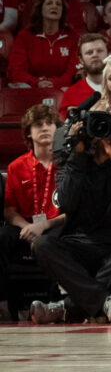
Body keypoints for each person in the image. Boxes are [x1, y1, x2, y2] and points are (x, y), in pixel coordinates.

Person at [29, 103, 111, 324]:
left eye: (102, 128)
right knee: (41, 245)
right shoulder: (71, 166)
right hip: (78, 247)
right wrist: (78, 154)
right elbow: (66, 203)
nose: (97, 135)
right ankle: (106, 302)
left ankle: (65, 308)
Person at [0, 105, 64, 311]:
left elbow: (73, 211)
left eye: (49, 123)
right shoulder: (16, 166)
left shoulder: (68, 164)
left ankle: (58, 302)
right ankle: (2, 303)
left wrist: (44, 225)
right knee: (1, 236)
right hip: (25, 225)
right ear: (28, 132)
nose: (45, 128)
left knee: (63, 238)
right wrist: (26, 226)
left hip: (56, 224)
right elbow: (9, 211)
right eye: (38, 124)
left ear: (58, 129)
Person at [8, 0, 77, 89]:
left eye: (58, 4)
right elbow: (16, 70)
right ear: (40, 9)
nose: (54, 6)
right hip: (31, 89)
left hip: (62, 89)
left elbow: (72, 72)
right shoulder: (25, 36)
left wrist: (55, 83)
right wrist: (36, 82)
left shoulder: (72, 37)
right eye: (49, 3)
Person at [60, 34, 111, 117]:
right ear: (81, 59)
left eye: (99, 51)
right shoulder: (71, 94)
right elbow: (65, 128)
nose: (95, 55)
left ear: (109, 54)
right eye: (89, 52)